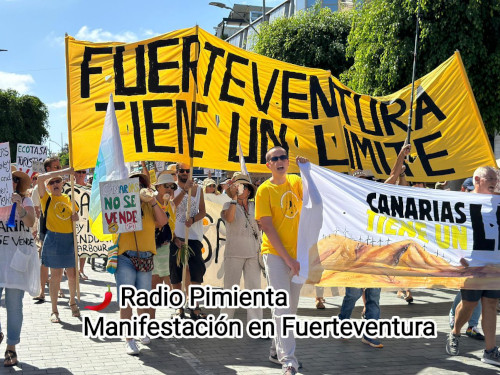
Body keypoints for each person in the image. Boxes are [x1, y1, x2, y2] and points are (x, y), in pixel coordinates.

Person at [255, 146, 308, 375]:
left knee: (290, 310)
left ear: (288, 161)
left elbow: (316, 196)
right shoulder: (263, 191)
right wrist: (288, 259)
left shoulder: (296, 182)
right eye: (274, 159)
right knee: (282, 308)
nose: (280, 161)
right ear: (268, 165)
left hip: (298, 256)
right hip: (275, 255)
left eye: (283, 157)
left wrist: (307, 170)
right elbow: (267, 227)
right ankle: (289, 361)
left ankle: (277, 351)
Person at [446, 166, 500, 365]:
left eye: (497, 178)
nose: (495, 181)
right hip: (472, 264)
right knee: (469, 304)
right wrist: (456, 257)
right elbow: (448, 230)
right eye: (491, 178)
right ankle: (455, 331)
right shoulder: (462, 202)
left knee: (491, 304)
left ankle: (490, 350)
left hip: (494, 264)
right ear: (477, 179)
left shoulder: (498, 202)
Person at [114, 171, 167, 354]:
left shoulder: (151, 203)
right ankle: (129, 338)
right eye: (133, 184)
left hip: (146, 257)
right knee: (127, 299)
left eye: (142, 184)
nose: (138, 187)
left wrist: (152, 201)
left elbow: (163, 221)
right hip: (125, 257)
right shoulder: (121, 202)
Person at [0, 169, 38, 367]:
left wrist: (19, 208)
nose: (12, 183)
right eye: (8, 179)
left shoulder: (25, 201)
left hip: (15, 261)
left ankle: (11, 347)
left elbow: (31, 222)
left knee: (14, 307)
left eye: (15, 180)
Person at [37, 168, 79, 323]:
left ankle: (72, 302)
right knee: (56, 276)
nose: (55, 183)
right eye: (52, 182)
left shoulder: (69, 198)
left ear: (63, 183)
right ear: (48, 187)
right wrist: (66, 170)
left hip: (68, 240)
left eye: (58, 181)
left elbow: (76, 216)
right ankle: (54, 310)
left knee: (73, 274)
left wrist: (76, 217)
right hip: (53, 239)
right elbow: (40, 178)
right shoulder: (46, 198)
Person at [220, 174, 262, 322]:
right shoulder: (228, 205)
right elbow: (230, 218)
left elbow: (262, 226)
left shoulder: (255, 206)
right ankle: (225, 321)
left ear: (249, 191)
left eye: (243, 187)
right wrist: (233, 198)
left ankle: (256, 322)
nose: (240, 189)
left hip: (253, 253)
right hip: (234, 253)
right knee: (230, 288)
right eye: (238, 186)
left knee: (254, 289)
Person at [170, 163, 207, 318]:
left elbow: (202, 212)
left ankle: (194, 305)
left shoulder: (198, 190)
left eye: (188, 170)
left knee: (195, 272)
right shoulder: (171, 188)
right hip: (175, 237)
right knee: (176, 273)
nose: (185, 173)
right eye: (182, 170)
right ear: (177, 172)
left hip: (193, 237)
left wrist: (193, 219)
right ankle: (178, 306)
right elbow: (171, 207)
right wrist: (184, 190)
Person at [32, 156, 61, 302]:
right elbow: (36, 209)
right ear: (48, 169)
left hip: (61, 229)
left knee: (60, 261)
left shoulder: (64, 184)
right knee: (44, 261)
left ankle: (58, 288)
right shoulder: (39, 187)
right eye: (57, 167)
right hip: (45, 227)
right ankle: (42, 291)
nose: (60, 170)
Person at [149, 173, 176, 321]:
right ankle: (151, 322)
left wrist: (175, 239)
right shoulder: (149, 203)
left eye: (172, 186)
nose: (169, 189)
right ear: (158, 187)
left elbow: (171, 225)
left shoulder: (171, 204)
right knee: (153, 287)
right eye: (166, 186)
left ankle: (178, 311)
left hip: (168, 250)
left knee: (172, 281)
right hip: (153, 249)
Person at [75, 169, 89, 280]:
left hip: (85, 220)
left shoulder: (89, 187)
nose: (80, 174)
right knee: (73, 247)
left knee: (84, 246)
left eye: (83, 172)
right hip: (72, 221)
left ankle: (81, 269)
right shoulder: (68, 187)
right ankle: (71, 268)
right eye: (78, 172)